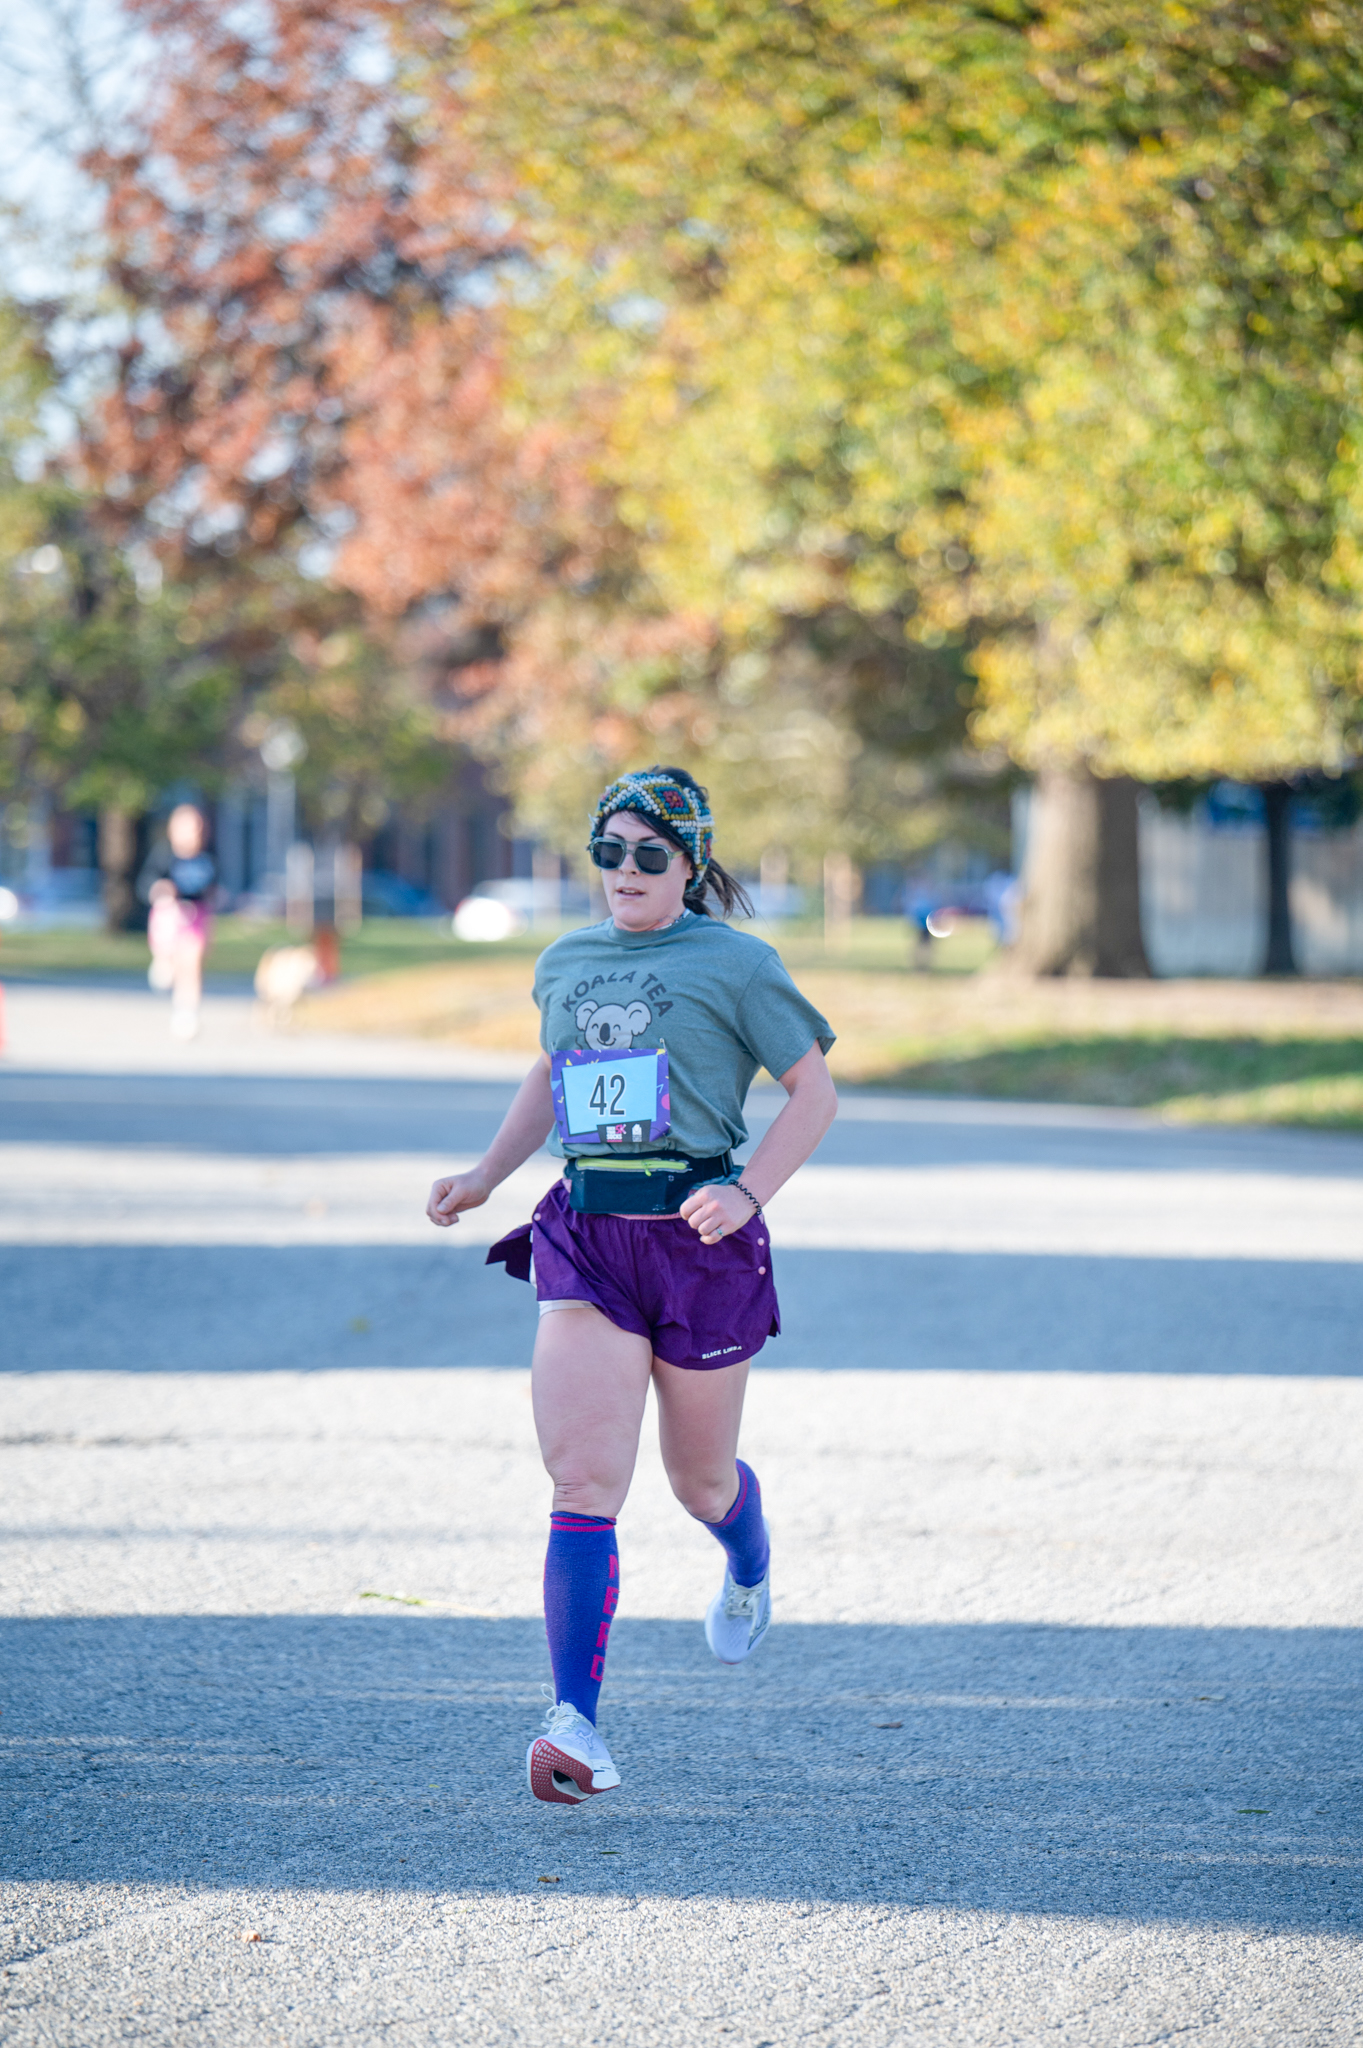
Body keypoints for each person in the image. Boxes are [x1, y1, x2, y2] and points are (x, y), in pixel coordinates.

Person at [426, 766, 837, 1805]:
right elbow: (547, 1071)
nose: (624, 871)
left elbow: (812, 1091)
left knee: (699, 1482)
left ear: (690, 863)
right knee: (581, 1482)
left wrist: (747, 1192)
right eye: (607, 851)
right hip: (589, 1238)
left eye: (648, 853)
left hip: (700, 1244)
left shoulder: (738, 965)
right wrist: (484, 1174)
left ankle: (746, 1563)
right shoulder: (565, 959)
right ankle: (576, 1722)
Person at [137, 804, 217, 1040]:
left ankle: (187, 1013)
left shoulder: (207, 858)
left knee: (191, 965)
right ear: (173, 831)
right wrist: (161, 891)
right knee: (171, 967)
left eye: (196, 829)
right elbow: (146, 885)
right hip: (169, 917)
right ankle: (164, 962)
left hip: (196, 917)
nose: (192, 835)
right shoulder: (164, 856)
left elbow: (212, 888)